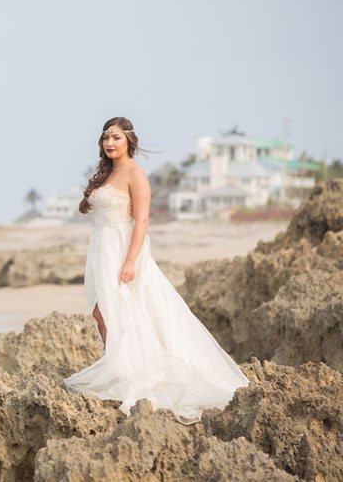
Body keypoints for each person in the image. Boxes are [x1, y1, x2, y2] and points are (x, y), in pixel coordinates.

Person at [63, 117, 249, 425]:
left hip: (122, 248)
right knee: (101, 312)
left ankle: (132, 374)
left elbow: (143, 221)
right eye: (106, 137)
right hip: (101, 248)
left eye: (117, 138)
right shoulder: (108, 173)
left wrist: (130, 261)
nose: (110, 142)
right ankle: (120, 369)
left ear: (129, 142)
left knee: (121, 312)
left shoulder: (136, 174)